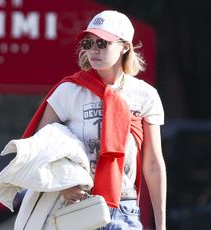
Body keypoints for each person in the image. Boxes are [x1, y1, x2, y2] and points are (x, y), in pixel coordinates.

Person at [23, 10, 166, 230]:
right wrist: (61, 185)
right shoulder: (68, 91)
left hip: (125, 208)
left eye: (102, 43)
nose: (93, 50)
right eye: (88, 43)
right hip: (77, 208)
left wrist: (161, 224)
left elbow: (153, 164)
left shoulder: (145, 95)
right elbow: (39, 148)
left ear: (125, 46)